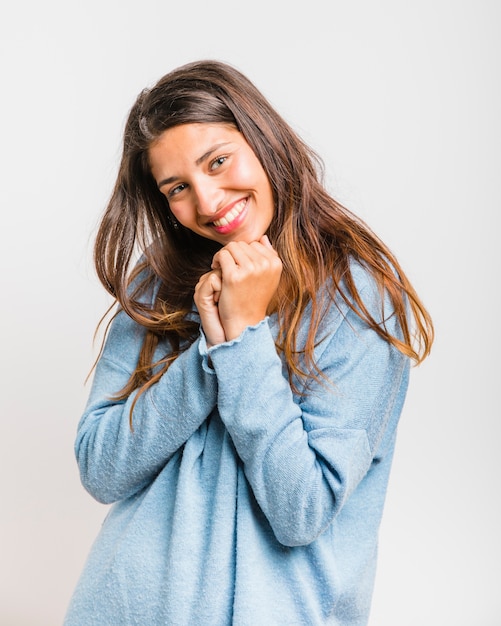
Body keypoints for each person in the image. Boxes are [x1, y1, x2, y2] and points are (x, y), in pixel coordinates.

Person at [64, 59, 434, 626]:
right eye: (178, 188)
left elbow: (301, 511)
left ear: (262, 139)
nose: (209, 202)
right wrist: (210, 353)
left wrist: (243, 339)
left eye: (218, 161)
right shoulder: (154, 285)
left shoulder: (359, 300)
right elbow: (101, 469)